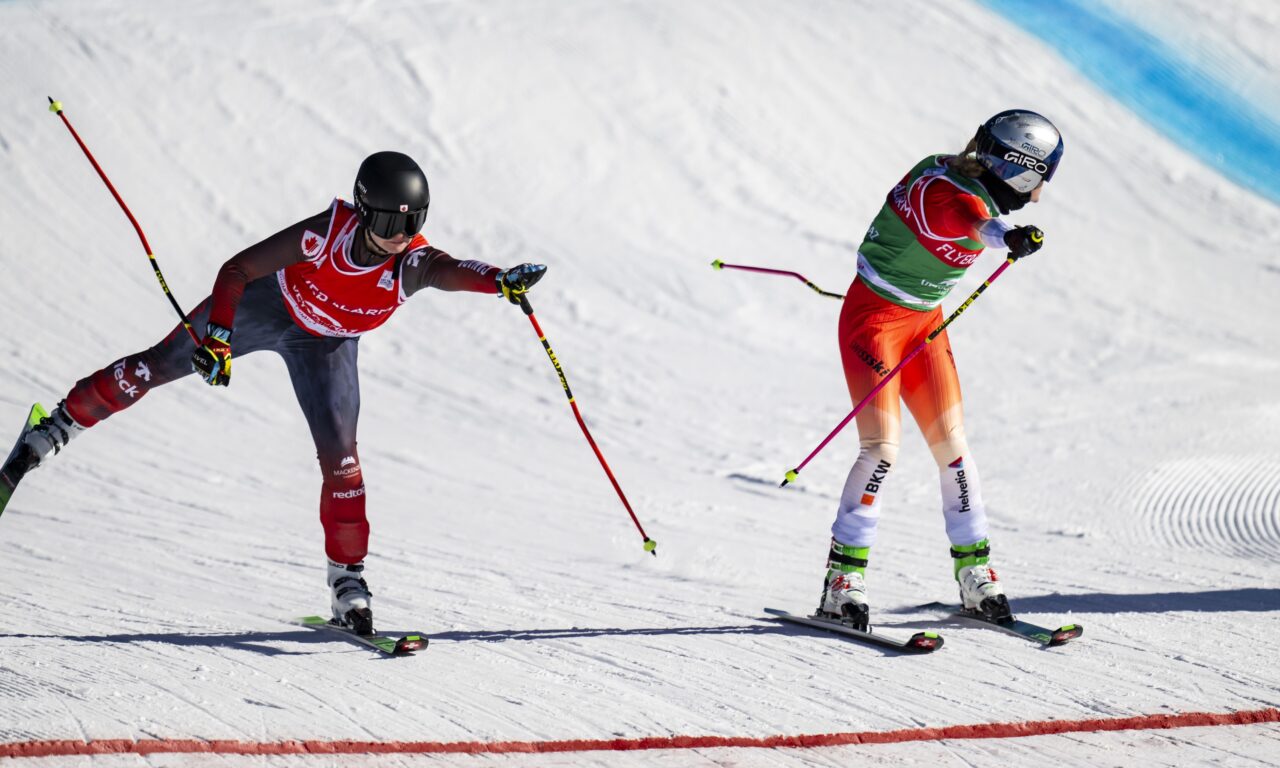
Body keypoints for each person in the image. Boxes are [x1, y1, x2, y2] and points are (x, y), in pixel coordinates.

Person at [8, 151, 546, 636]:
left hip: (326, 346)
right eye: (387, 221)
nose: (400, 234)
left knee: (344, 464)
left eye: (413, 222)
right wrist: (218, 336)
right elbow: (237, 270)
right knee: (153, 368)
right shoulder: (323, 235)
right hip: (265, 309)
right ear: (363, 212)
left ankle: (347, 583)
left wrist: (499, 280)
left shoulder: (410, 262)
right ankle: (55, 426)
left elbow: (450, 270)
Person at [818, 110, 1063, 630]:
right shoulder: (950, 193)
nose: (1037, 194)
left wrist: (1006, 234)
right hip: (875, 323)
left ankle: (976, 573)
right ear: (1017, 169)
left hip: (923, 325)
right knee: (882, 448)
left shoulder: (951, 172)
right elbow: (973, 221)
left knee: (952, 447)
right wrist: (1008, 238)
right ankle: (843, 581)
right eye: (1037, 180)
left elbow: (978, 214)